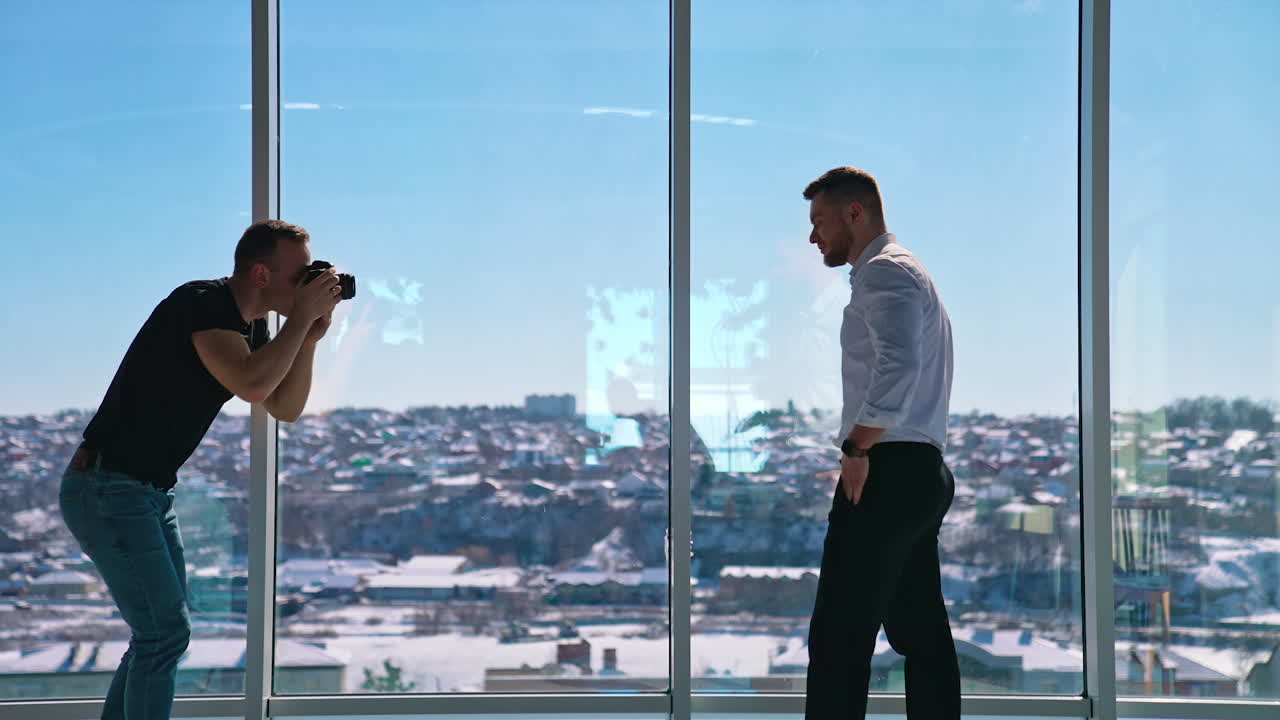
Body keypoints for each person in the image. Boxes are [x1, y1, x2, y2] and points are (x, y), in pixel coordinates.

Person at [59, 219, 343, 720]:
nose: (309, 285)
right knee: (164, 634)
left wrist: (311, 338)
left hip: (143, 492)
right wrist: (299, 322)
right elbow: (252, 384)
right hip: (107, 486)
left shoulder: (250, 328)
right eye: (301, 274)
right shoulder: (201, 302)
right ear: (260, 273)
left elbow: (285, 405)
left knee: (157, 635)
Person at [801, 167, 960, 719]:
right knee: (920, 634)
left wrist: (857, 448)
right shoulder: (909, 273)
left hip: (887, 471)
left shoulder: (884, 273)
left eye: (820, 221)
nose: (813, 236)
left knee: (839, 638)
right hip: (921, 471)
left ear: (854, 213)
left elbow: (898, 366)